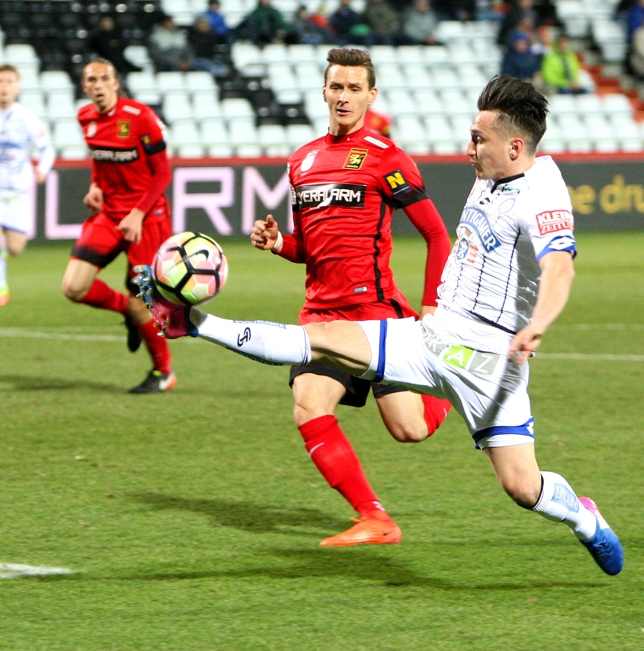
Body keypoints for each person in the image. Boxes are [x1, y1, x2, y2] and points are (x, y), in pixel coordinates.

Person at [137, 74, 624, 576]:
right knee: (316, 346)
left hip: (491, 361)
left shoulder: (542, 192)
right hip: (433, 336)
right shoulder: (491, 172)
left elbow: (560, 267)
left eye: (479, 140)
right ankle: (193, 322)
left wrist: (539, 323)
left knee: (523, 487)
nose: (468, 149)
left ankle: (583, 518)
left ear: (516, 147)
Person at [245, 48, 452, 547]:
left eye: (354, 88)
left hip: (375, 316)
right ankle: (374, 517)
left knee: (409, 430)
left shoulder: (387, 158)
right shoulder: (302, 161)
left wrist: (432, 308)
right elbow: (308, 249)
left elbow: (437, 235)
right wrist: (278, 244)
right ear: (324, 91)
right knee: (309, 404)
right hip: (321, 314)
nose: (344, 96)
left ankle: (452, 385)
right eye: (336, 87)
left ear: (370, 95)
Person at [61, 59, 175, 394]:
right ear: (85, 87)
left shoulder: (141, 118)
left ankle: (163, 373)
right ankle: (127, 309)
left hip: (147, 217)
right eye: (91, 80)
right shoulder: (86, 118)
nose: (97, 85)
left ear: (115, 83)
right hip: (110, 214)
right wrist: (96, 186)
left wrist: (138, 213)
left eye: (104, 79)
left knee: (145, 301)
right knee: (73, 287)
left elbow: (163, 173)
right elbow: (100, 161)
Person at [0, 64, 56, 306]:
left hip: (18, 192)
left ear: (17, 87)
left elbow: (47, 149)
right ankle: (0, 287)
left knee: (15, 248)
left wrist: (42, 170)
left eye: (9, 81)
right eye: (0, 81)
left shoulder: (27, 119)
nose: (4, 86)